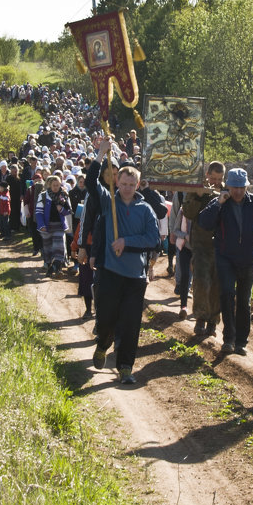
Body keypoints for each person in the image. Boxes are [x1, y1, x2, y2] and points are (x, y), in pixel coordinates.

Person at [87, 138, 161, 384]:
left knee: (130, 323)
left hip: (135, 277)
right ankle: (103, 343)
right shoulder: (108, 203)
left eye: (132, 184)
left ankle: (125, 367)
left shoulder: (145, 209)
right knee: (107, 318)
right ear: (116, 181)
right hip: (110, 272)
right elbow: (90, 182)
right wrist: (100, 154)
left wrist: (126, 242)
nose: (127, 187)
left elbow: (153, 239)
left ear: (138, 184)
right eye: (124, 183)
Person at [198, 167, 253, 356]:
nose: (238, 192)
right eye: (234, 187)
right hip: (225, 258)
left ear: (246, 187)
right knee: (227, 296)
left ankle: (241, 342)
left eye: (242, 188)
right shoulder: (220, 202)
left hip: (248, 259)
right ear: (228, 186)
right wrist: (218, 204)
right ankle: (228, 339)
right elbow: (204, 223)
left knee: (244, 301)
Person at [183, 163, 225, 338]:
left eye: (219, 179)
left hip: (221, 245)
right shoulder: (196, 189)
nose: (215, 182)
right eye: (212, 178)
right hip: (200, 243)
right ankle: (200, 318)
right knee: (201, 281)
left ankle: (213, 322)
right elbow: (188, 213)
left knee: (217, 284)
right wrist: (198, 197)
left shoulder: (226, 191)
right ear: (207, 174)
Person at [35, 175, 71, 276]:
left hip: (59, 226)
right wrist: (41, 224)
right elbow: (38, 212)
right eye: (54, 185)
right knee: (48, 248)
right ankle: (48, 263)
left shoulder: (63, 196)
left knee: (59, 247)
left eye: (58, 185)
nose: (56, 187)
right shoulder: (43, 196)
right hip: (46, 226)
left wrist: (61, 209)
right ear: (49, 185)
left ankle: (56, 268)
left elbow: (68, 211)